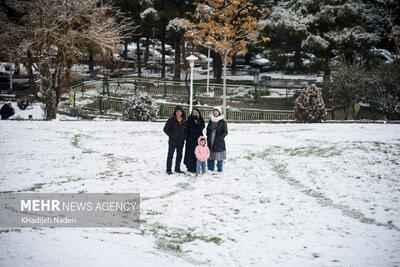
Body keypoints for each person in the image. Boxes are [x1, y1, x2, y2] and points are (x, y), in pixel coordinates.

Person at [163, 105, 186, 175]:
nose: (178, 113)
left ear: (182, 112)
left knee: (179, 155)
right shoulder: (171, 120)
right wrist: (171, 135)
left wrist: (184, 137)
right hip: (172, 141)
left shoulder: (184, 120)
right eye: (177, 111)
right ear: (175, 112)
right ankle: (168, 169)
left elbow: (187, 130)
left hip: (181, 141)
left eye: (180, 111)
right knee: (170, 155)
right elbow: (165, 129)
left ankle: (177, 168)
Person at [207, 106, 228, 172]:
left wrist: (220, 138)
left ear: (219, 112)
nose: (215, 112)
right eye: (214, 111)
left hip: (219, 141)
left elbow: (225, 132)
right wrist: (208, 135)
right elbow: (208, 129)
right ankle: (210, 169)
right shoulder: (211, 120)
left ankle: (219, 169)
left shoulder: (223, 121)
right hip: (211, 139)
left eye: (217, 111)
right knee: (211, 154)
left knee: (219, 156)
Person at [183, 108, 205, 173]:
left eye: (196, 112)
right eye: (193, 112)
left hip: (198, 139)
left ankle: (197, 166)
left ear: (198, 113)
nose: (194, 113)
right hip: (190, 139)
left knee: (197, 153)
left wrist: (198, 120)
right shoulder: (189, 119)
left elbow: (202, 127)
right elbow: (186, 128)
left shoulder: (200, 119)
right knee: (190, 153)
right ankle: (189, 167)